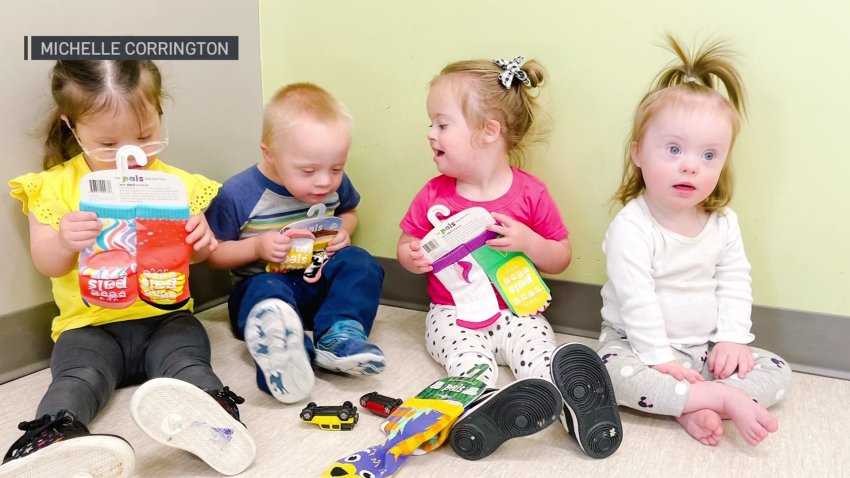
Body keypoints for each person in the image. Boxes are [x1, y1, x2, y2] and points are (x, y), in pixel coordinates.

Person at [4, 61, 255, 477]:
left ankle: (215, 422)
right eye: (107, 143)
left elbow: (195, 255)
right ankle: (52, 441)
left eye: (144, 137)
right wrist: (65, 240)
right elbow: (46, 262)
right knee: (77, 377)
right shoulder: (54, 187)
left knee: (190, 363)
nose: (130, 155)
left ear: (160, 114)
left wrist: (201, 242)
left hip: (166, 318)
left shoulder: (176, 186)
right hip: (89, 326)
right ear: (71, 126)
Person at [397, 57, 621, 460]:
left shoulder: (530, 193)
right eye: (431, 123)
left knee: (542, 359)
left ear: (488, 131)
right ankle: (482, 413)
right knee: (469, 365)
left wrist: (528, 242)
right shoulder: (435, 195)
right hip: (454, 314)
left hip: (518, 311)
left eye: (442, 124)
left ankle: (576, 411)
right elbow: (408, 241)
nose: (430, 133)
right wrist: (410, 256)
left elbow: (560, 257)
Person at [598, 35, 793, 447]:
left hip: (704, 346)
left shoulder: (723, 221)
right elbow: (636, 298)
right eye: (673, 149)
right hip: (637, 345)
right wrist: (660, 360)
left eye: (709, 156)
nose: (690, 166)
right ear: (637, 152)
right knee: (609, 377)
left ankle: (690, 404)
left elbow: (735, 280)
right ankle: (718, 399)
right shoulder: (632, 227)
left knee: (777, 370)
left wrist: (732, 338)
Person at [205, 83, 385, 405]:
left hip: (317, 284)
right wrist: (256, 248)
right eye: (308, 170)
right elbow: (213, 254)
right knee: (264, 287)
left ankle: (340, 334)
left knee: (361, 262)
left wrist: (344, 230)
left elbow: (349, 211)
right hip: (264, 292)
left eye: (336, 167)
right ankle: (287, 353)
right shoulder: (238, 193)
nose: (324, 181)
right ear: (270, 153)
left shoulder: (334, 183)